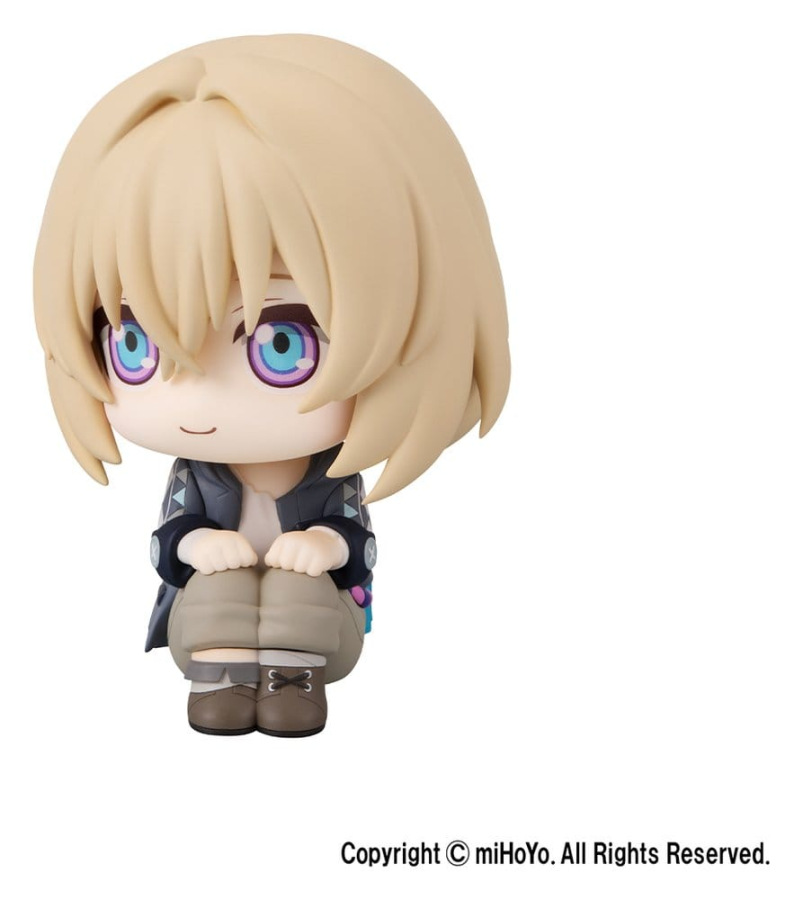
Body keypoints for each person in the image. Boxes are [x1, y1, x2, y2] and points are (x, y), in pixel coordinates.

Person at [33, 35, 510, 737]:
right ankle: (220, 677)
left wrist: (326, 547)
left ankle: (293, 678)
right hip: (208, 617)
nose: (194, 399)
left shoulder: (329, 473)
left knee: (296, 591)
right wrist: (195, 546)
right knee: (215, 589)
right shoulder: (197, 475)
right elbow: (168, 538)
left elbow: (355, 538)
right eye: (134, 343)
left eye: (280, 344)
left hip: (318, 622)